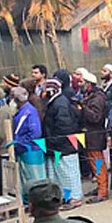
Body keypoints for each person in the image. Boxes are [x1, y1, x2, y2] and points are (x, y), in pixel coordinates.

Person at [42, 77, 83, 209]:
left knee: (69, 173)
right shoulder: (54, 102)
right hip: (56, 145)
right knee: (60, 174)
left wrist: (55, 141)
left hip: (64, 145)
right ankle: (65, 197)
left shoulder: (60, 103)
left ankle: (74, 198)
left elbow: (64, 126)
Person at [79, 72, 109, 203]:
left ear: (89, 84)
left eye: (83, 83)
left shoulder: (97, 99)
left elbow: (96, 117)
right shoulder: (92, 96)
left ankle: (103, 192)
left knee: (98, 164)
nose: (81, 85)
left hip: (95, 136)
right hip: (91, 136)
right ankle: (99, 188)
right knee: (95, 164)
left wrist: (83, 107)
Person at [10, 87, 46, 189]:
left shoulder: (29, 112)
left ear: (16, 99)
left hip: (31, 150)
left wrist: (20, 142)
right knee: (25, 178)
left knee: (35, 179)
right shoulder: (19, 111)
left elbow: (35, 133)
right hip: (22, 150)